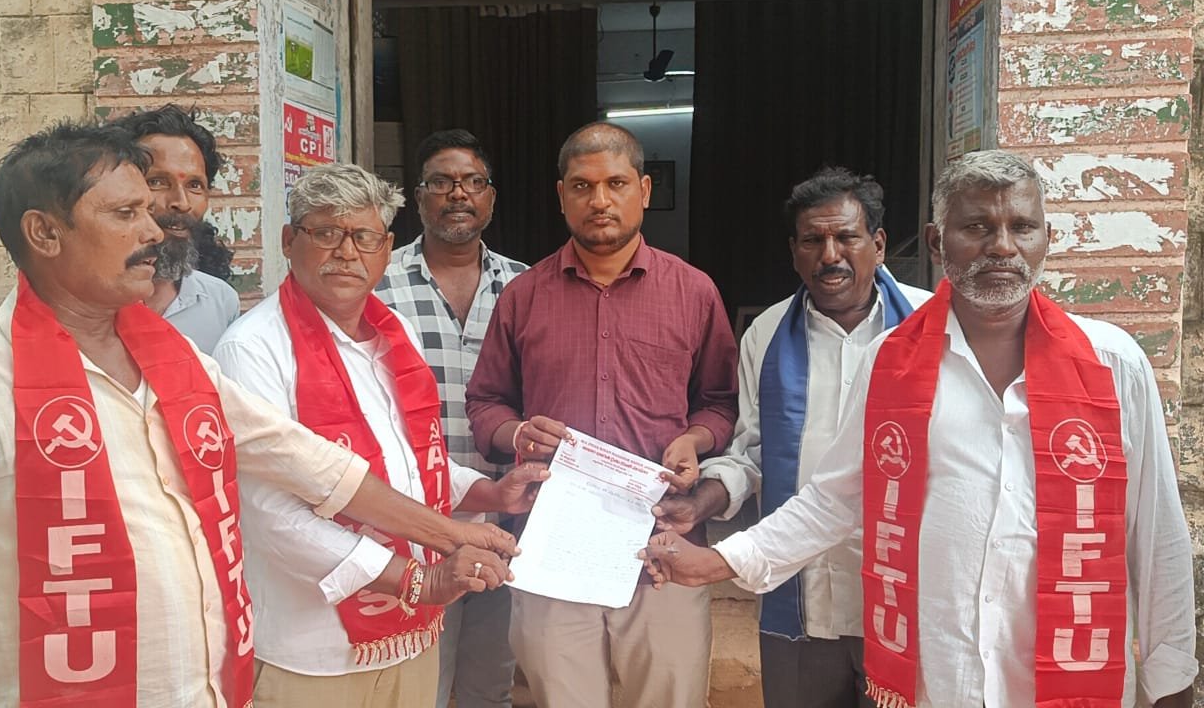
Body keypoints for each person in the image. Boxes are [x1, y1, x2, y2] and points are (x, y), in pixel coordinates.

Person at [0, 122, 517, 708]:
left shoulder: (174, 360)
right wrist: (424, 568)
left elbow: (312, 464)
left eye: (147, 211)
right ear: (45, 233)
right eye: (126, 213)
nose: (154, 229)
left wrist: (454, 532)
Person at [641, 150, 1197, 708]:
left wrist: (1172, 680)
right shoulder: (892, 361)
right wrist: (718, 562)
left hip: (1072, 679)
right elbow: (834, 499)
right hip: (942, 681)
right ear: (937, 242)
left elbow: (1157, 536)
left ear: (1047, 239)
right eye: (977, 227)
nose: (1002, 246)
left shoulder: (1111, 365)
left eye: (1022, 227)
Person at [214, 162, 546, 707]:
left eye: (364, 236)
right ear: (289, 241)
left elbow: (415, 463)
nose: (347, 252)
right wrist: (418, 581)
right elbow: (270, 514)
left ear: (386, 248)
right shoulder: (251, 348)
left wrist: (490, 493)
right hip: (313, 646)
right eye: (327, 232)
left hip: (411, 635)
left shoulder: (395, 332)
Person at [466, 122, 739, 708]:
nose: (599, 200)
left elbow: (720, 403)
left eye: (616, 183)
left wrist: (694, 439)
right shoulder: (524, 296)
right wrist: (519, 433)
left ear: (644, 190)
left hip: (661, 546)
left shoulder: (693, 292)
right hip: (552, 548)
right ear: (561, 196)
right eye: (582, 186)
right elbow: (485, 403)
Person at [691, 167, 930, 707]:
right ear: (793, 251)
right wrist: (702, 498)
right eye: (812, 241)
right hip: (801, 596)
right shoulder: (767, 334)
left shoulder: (930, 326)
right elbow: (750, 453)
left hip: (904, 600)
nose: (830, 255)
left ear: (878, 244)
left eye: (846, 237)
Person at [375, 129, 527, 708]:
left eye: (472, 182)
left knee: (491, 685)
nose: (458, 193)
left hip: (507, 523)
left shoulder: (527, 286)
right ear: (418, 198)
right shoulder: (377, 282)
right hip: (409, 522)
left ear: (491, 197)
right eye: (441, 182)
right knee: (421, 688)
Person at [111, 104, 240, 351]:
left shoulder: (220, 302)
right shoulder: (86, 305)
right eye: (158, 182)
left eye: (194, 185)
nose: (181, 203)